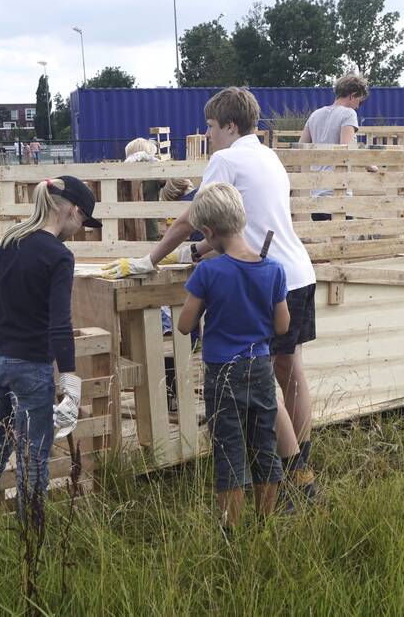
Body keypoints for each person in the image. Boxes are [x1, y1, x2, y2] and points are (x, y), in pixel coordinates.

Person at [102, 88, 321, 502]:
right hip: (296, 271)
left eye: (211, 126)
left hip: (262, 275)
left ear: (230, 126)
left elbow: (192, 218)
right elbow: (247, 223)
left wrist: (151, 259)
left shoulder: (227, 159)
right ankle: (302, 466)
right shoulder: (269, 156)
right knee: (291, 373)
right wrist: (197, 252)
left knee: (262, 378)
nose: (208, 134)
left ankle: (295, 476)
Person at [0, 175, 103, 517]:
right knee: (33, 454)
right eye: (83, 222)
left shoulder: (10, 241)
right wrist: (69, 379)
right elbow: (60, 323)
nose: (79, 230)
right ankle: (32, 532)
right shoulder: (59, 255)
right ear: (73, 211)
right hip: (28, 364)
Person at [177, 182, 289, 531]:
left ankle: (231, 529)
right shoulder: (273, 269)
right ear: (241, 218)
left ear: (209, 232)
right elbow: (282, 325)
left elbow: (184, 325)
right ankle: (265, 523)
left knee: (229, 449)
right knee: (264, 443)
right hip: (260, 368)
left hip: (223, 373)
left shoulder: (208, 272)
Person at [300, 74, 371, 219]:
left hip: (317, 192)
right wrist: (370, 166)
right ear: (352, 95)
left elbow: (301, 147)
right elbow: (346, 150)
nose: (358, 106)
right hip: (338, 193)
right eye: (359, 101)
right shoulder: (348, 114)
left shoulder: (315, 114)